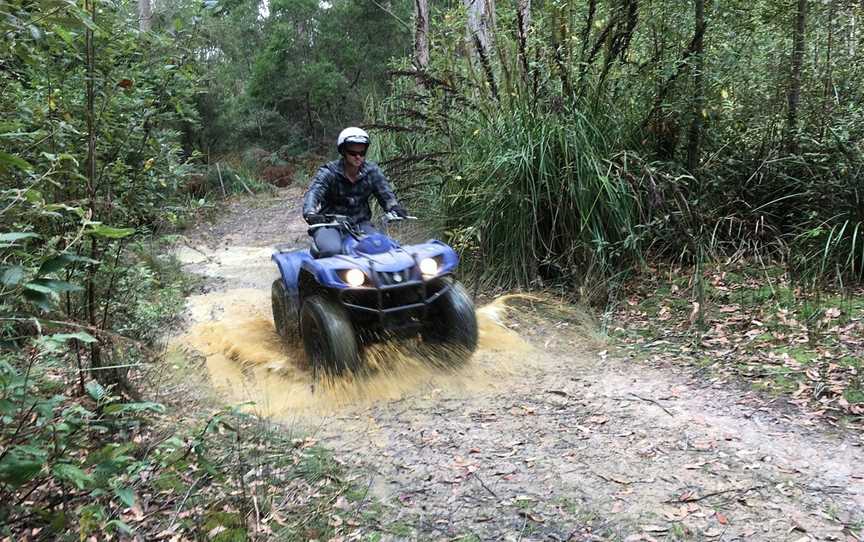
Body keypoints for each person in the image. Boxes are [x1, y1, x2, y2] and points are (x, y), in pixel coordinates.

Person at [302, 127, 408, 257]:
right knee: (332, 250)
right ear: (343, 152)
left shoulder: (372, 171)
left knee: (383, 246)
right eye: (352, 153)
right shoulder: (329, 172)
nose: (358, 156)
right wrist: (310, 213)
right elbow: (314, 192)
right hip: (330, 225)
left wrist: (394, 207)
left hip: (361, 224)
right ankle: (318, 272)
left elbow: (385, 193)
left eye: (362, 152)